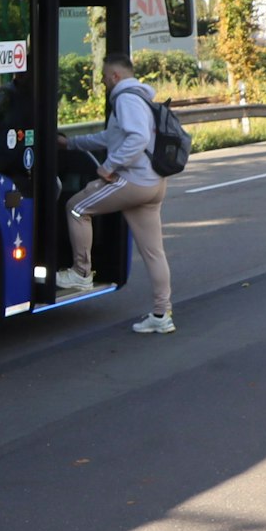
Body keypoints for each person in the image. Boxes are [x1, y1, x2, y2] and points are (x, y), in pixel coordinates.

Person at [54, 53, 174, 334]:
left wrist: (109, 167)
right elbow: (107, 139)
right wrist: (70, 144)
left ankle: (82, 272)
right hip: (153, 182)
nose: (104, 81)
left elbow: (137, 138)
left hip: (133, 182)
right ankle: (161, 314)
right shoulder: (141, 98)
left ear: (115, 76)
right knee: (154, 252)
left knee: (75, 207)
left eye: (105, 76)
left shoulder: (125, 99)